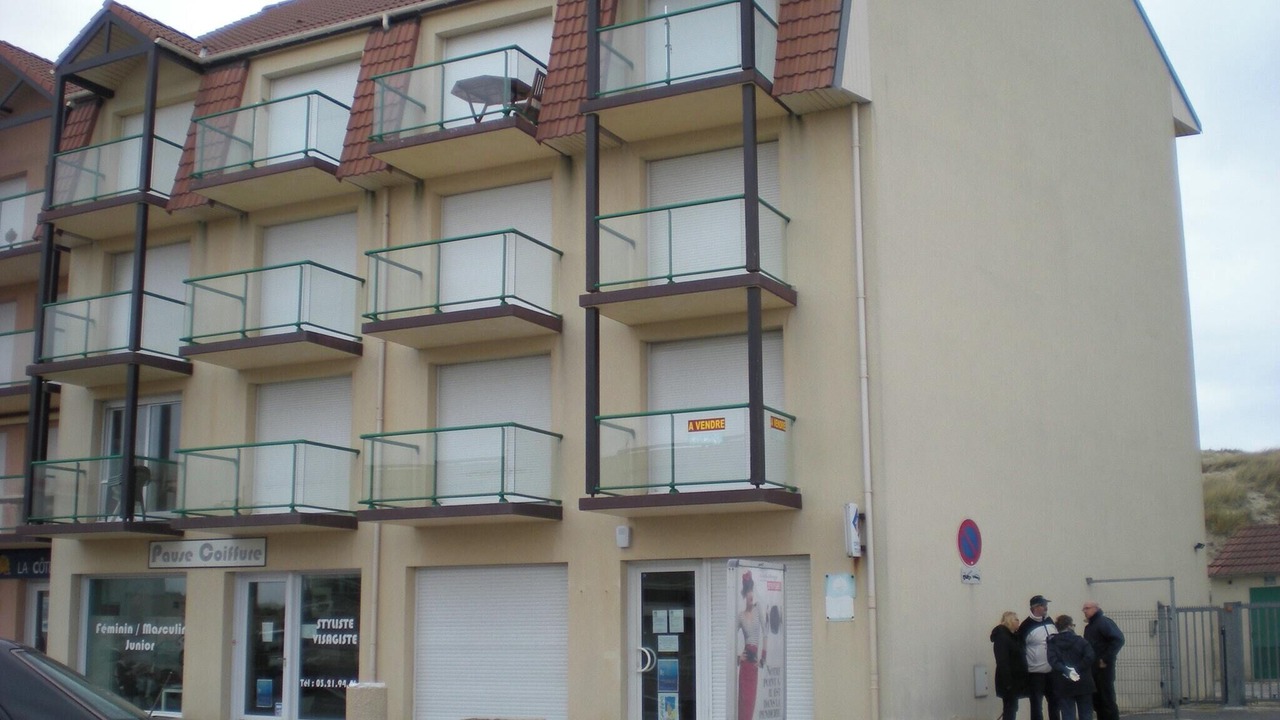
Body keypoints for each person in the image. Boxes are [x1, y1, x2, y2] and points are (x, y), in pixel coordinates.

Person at [1047, 614, 1096, 720]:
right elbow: (1090, 656)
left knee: (1067, 714)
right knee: (1086, 714)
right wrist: (1077, 669)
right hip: (1084, 682)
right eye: (1073, 624)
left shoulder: (1053, 642)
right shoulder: (1081, 641)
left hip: (1063, 683)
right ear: (1069, 626)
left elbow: (1053, 660)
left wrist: (1067, 670)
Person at [1019, 595, 1060, 720]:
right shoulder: (1026, 626)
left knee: (1054, 701)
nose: (1046, 608)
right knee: (1036, 704)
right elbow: (1021, 648)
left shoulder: (1050, 621)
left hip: (1052, 670)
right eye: (1043, 605)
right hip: (1036, 672)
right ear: (1035, 607)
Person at [1082, 601, 1125, 720]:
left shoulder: (1103, 622)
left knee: (1107, 700)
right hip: (1093, 669)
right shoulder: (1090, 626)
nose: (1085, 611)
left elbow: (1118, 640)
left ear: (1096, 608)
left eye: (1087, 608)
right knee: (1098, 701)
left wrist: (1105, 658)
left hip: (1104, 669)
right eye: (1083, 609)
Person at [735, 571, 767, 720]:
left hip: (753, 663)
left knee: (750, 701)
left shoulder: (757, 609)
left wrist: (763, 658)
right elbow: (729, 637)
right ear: (744, 594)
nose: (750, 595)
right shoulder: (740, 616)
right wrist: (737, 657)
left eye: (751, 591)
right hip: (745, 662)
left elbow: (765, 632)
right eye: (748, 591)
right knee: (743, 700)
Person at [991, 610, 1029, 720]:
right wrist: (1008, 683)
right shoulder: (1002, 637)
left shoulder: (1012, 637)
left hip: (1014, 679)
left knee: (1012, 707)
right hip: (1008, 680)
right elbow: (1002, 660)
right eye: (1016, 619)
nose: (1019, 622)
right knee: (1009, 708)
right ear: (1010, 621)